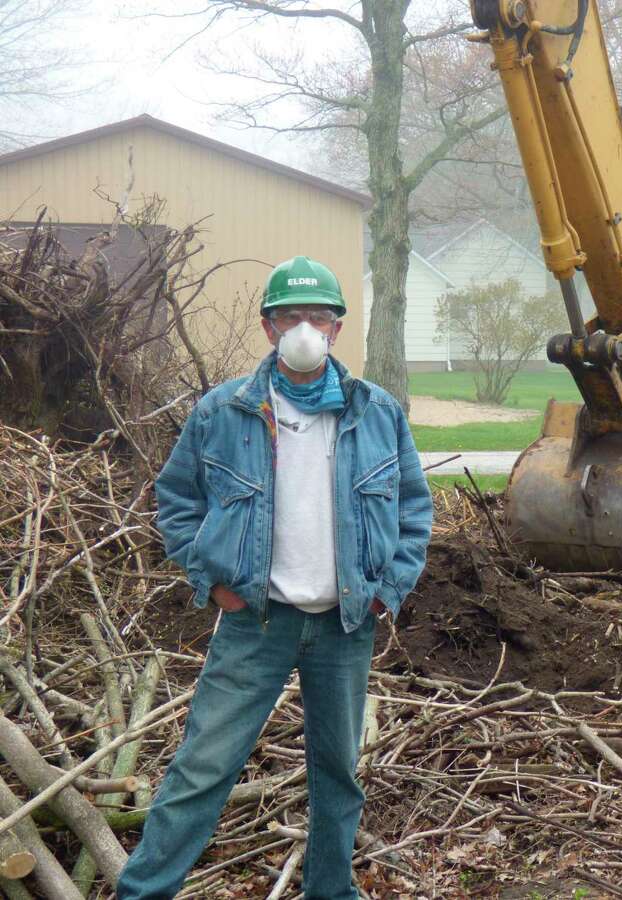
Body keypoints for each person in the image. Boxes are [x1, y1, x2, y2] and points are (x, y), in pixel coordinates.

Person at [117, 256, 433, 899]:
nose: (305, 329)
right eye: (291, 317)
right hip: (255, 621)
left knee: (338, 772)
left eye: (319, 317)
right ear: (268, 328)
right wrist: (211, 580)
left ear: (338, 329)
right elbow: (177, 501)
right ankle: (143, 893)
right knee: (203, 767)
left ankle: (329, 892)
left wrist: (386, 591)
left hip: (344, 626)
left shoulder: (377, 413)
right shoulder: (223, 412)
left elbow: (413, 508)